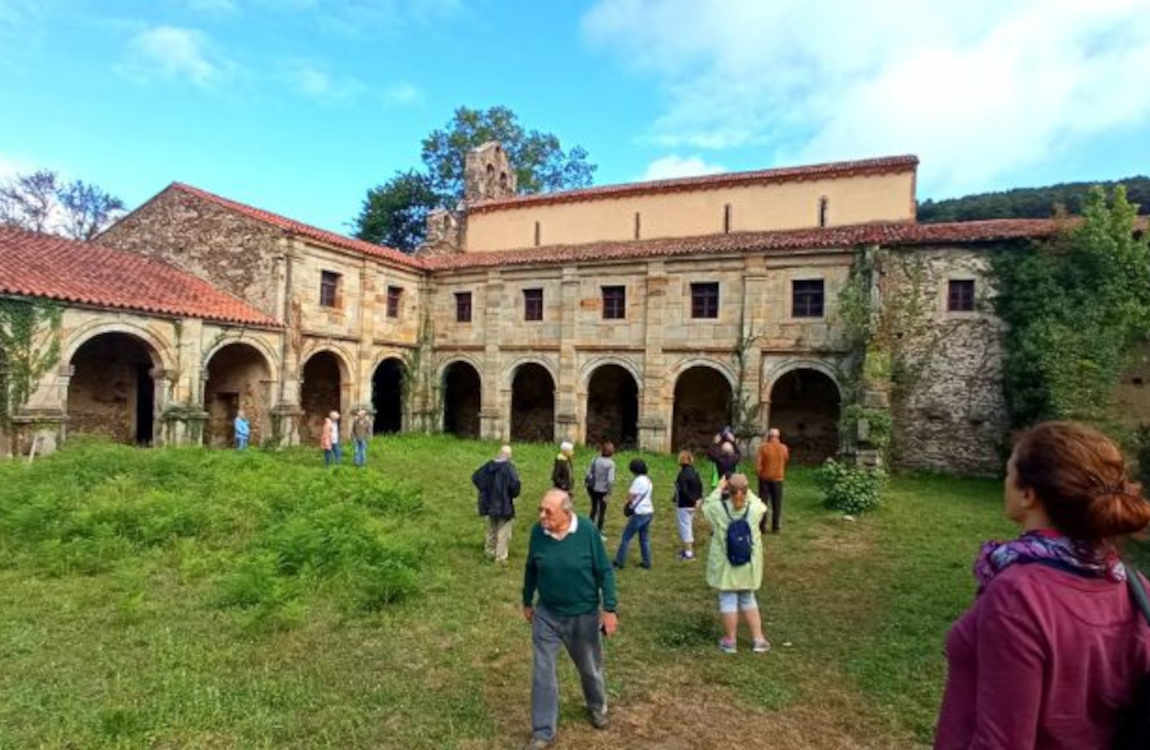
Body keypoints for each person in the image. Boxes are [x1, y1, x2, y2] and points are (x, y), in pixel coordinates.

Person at [935, 421, 1150, 750]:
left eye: (1009, 472)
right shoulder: (1136, 589)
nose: (1005, 482)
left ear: (1027, 494)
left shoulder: (1019, 594)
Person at [522, 488, 617, 749]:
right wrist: (527, 600)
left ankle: (597, 706)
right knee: (543, 672)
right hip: (547, 614)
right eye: (540, 510)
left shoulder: (587, 532)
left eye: (548, 512)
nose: (541, 516)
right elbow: (531, 567)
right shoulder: (537, 533)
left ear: (566, 513)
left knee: (589, 667)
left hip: (583, 616)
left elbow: (605, 571)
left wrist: (609, 609)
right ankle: (543, 731)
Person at [701, 473, 770, 654]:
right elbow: (762, 505)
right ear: (747, 492)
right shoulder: (754, 509)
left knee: (728, 597)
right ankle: (758, 639)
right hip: (748, 562)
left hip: (726, 562)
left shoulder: (717, 508)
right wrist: (746, 490)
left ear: (727, 490)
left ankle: (730, 640)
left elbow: (706, 505)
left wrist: (719, 488)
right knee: (748, 597)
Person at [473, 445, 522, 564]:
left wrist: (484, 491)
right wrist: (512, 494)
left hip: (489, 504)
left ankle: (489, 552)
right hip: (504, 504)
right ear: (509, 456)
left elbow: (476, 477)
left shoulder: (488, 466)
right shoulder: (509, 468)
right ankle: (500, 557)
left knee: (491, 529)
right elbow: (515, 485)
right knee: (503, 531)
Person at [612, 459, 654, 570]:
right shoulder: (648, 480)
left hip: (639, 513)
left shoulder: (638, 481)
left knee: (626, 537)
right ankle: (647, 562)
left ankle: (619, 562)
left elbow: (631, 496)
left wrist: (627, 504)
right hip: (649, 511)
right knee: (644, 538)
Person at [756, 428, 790, 534]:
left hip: (765, 479)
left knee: (763, 503)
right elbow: (786, 459)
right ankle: (776, 527)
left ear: (768, 436)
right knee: (777, 503)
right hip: (778, 478)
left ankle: (762, 527)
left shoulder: (763, 448)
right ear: (778, 437)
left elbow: (758, 466)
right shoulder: (783, 448)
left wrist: (760, 474)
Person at [674, 450, 704, 561]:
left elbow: (683, 491)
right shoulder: (695, 472)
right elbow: (700, 486)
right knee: (688, 526)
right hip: (693, 504)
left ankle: (689, 553)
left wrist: (692, 500)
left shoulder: (682, 474)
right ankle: (686, 550)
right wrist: (698, 499)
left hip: (684, 504)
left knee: (685, 528)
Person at [584, 442, 616, 538]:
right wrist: (609, 492)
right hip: (603, 490)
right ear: (612, 452)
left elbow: (588, 473)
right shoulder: (611, 464)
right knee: (602, 511)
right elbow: (610, 480)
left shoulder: (595, 459)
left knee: (594, 508)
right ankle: (598, 532)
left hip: (592, 488)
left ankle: (588, 529)